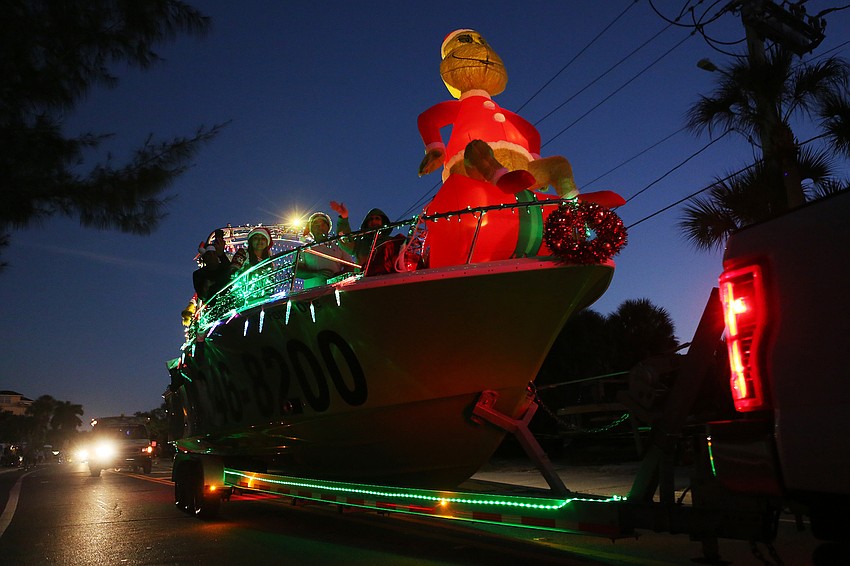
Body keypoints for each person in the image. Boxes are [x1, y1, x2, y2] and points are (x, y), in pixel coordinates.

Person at [331, 201, 404, 276]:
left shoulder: (391, 241)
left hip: (386, 279)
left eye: (377, 218)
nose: (374, 221)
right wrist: (343, 218)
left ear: (383, 222)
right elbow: (344, 240)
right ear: (367, 223)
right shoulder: (360, 243)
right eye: (371, 219)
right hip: (364, 281)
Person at [296, 211, 354, 288]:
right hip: (311, 293)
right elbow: (297, 271)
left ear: (328, 228)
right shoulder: (303, 250)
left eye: (323, 225)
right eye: (316, 225)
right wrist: (316, 273)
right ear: (311, 230)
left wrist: (335, 277)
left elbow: (350, 266)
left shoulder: (339, 246)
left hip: (334, 290)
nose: (320, 228)